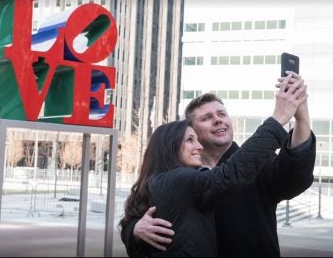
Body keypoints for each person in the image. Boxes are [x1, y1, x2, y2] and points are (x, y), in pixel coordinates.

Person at [120, 72, 316, 257]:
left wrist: (302, 117)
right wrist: (135, 230)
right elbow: (134, 217)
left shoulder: (258, 161)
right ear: (192, 130)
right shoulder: (176, 175)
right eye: (207, 118)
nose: (218, 120)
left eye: (222, 114)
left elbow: (295, 177)